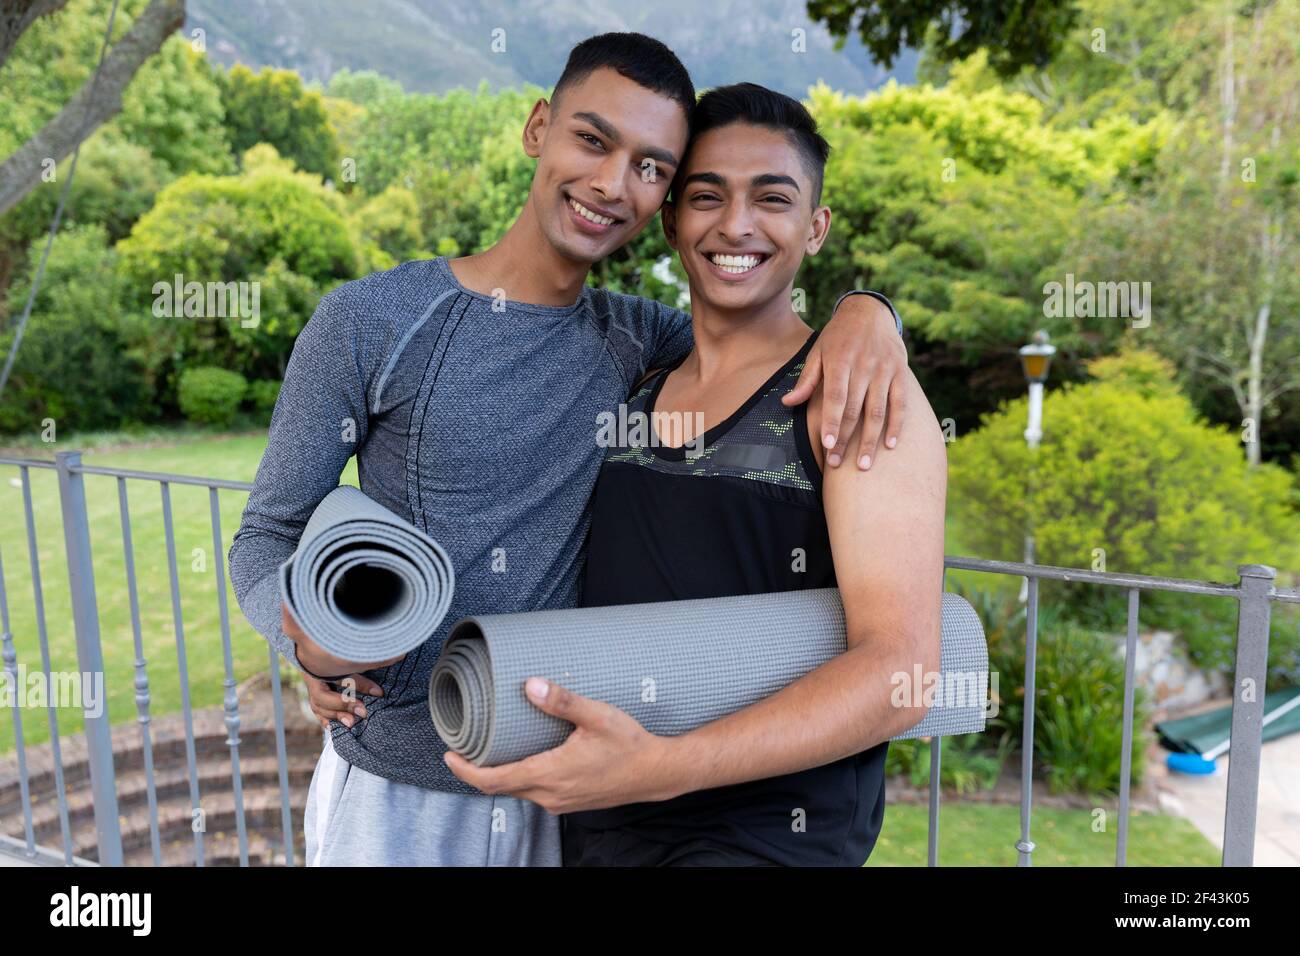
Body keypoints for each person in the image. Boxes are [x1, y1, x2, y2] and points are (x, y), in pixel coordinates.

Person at [229, 34, 912, 867]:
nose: (610, 185)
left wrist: (868, 315)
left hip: (580, 792)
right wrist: (306, 640)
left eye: (651, 166)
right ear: (538, 127)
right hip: (406, 789)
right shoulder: (370, 322)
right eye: (592, 141)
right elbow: (266, 537)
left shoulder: (646, 342)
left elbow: (764, 333)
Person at [444, 83, 947, 866]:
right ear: (673, 220)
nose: (736, 225)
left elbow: (903, 673)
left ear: (815, 229)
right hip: (599, 822)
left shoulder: (854, 394)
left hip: (759, 838)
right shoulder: (642, 373)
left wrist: (664, 770)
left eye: (771, 199)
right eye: (707, 196)